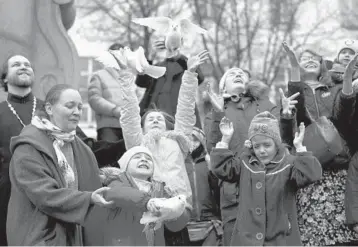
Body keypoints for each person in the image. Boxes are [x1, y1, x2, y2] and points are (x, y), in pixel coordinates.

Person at [106, 50, 209, 245]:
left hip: (178, 210)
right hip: (148, 209)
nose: (155, 120)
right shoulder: (138, 144)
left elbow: (185, 110)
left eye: (159, 119)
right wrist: (126, 76)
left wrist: (190, 74)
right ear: (142, 127)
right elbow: (129, 114)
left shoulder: (179, 141)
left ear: (167, 125)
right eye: (150, 119)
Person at [6, 84, 113, 245]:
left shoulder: (81, 148)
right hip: (38, 237)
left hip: (73, 237)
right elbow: (44, 195)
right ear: (49, 108)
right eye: (69, 106)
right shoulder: (28, 146)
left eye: (79, 107)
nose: (76, 112)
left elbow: (94, 182)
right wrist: (88, 198)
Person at [284, 41, 358, 245]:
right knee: (315, 239)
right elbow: (297, 121)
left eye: (314, 58)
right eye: (304, 58)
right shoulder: (292, 93)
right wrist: (292, 64)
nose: (309, 60)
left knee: (346, 238)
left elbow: (343, 116)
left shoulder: (334, 89)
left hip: (338, 173)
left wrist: (348, 80)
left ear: (322, 65)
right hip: (311, 175)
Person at [210, 110, 322, 246]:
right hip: (247, 241)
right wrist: (225, 139)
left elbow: (312, 174)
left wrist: (300, 149)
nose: (262, 150)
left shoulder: (288, 164)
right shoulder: (245, 162)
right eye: (257, 146)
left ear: (276, 143)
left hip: (280, 240)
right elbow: (221, 168)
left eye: (267, 145)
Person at [205, 68, 279, 246]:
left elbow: (282, 139)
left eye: (241, 73)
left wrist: (286, 116)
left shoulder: (265, 104)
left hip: (269, 182)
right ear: (223, 89)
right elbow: (214, 151)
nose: (237, 74)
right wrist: (217, 114)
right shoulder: (215, 113)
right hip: (234, 191)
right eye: (231, 74)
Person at [100, 146, 191, 246]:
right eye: (137, 157)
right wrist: (147, 202)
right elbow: (120, 194)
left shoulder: (161, 190)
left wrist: (178, 210)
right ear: (125, 166)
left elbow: (175, 227)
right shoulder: (116, 182)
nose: (143, 159)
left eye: (149, 159)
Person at [135, 40, 204, 128]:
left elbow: (200, 79)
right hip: (157, 114)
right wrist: (150, 58)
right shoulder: (157, 67)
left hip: (181, 114)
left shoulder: (186, 65)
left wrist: (180, 57)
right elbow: (141, 82)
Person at [186, 127, 222, 246]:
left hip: (210, 221)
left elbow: (220, 192)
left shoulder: (209, 162)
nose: (191, 143)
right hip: (185, 222)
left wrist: (212, 171)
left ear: (202, 143)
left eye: (195, 140)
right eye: (188, 140)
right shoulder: (178, 163)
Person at [88, 42, 125, 143]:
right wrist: (115, 110)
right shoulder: (99, 76)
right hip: (108, 126)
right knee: (108, 156)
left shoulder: (130, 78)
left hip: (128, 126)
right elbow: (94, 99)